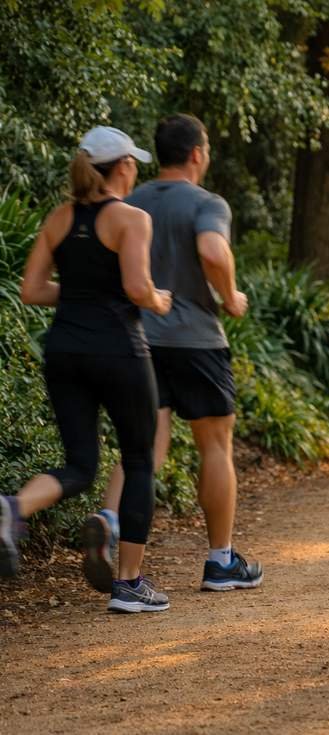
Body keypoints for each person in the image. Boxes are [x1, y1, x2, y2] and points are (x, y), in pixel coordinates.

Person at [0, 127, 174, 613]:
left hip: (64, 351)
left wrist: (79, 295)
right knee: (139, 459)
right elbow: (138, 288)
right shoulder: (132, 219)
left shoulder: (60, 218)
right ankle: (129, 585)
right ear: (121, 167)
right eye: (133, 163)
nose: (135, 169)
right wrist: (158, 301)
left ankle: (13, 507)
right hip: (119, 350)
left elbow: (31, 290)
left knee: (80, 464)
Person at [103, 113, 262, 592]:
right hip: (197, 340)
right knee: (215, 446)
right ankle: (220, 561)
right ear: (197, 153)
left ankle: (110, 522)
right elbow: (213, 252)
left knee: (144, 445)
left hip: (138, 339)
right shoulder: (207, 202)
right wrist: (230, 296)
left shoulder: (130, 200)